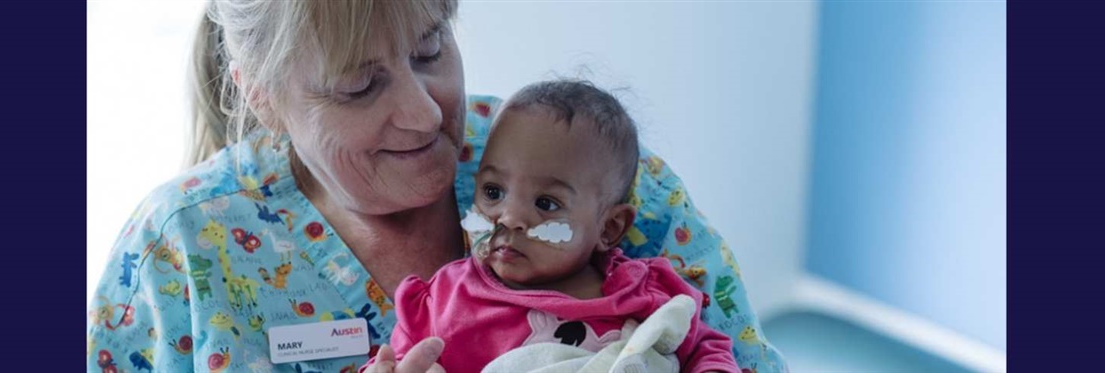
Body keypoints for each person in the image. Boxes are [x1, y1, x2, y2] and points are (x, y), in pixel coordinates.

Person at [86, 1, 787, 372]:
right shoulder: (179, 255)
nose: (426, 112)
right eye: (361, 86)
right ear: (263, 97)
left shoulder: (598, 179)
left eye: (430, 50)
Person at [364, 80, 739, 373]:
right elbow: (396, 360)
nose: (508, 217)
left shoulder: (644, 292)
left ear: (609, 228)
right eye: (493, 191)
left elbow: (706, 347)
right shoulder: (444, 300)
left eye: (546, 204)